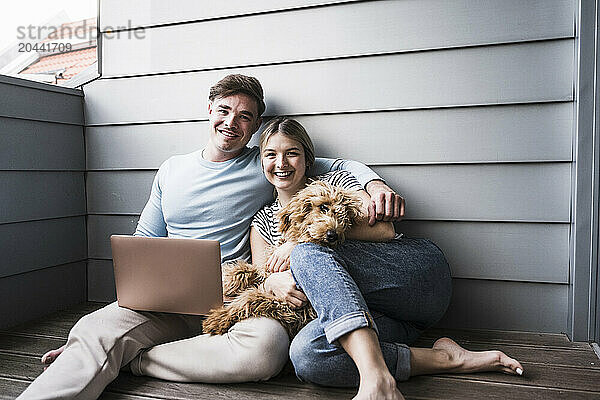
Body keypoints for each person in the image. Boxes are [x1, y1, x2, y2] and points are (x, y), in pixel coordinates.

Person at [17, 74, 402, 400]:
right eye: (224, 110)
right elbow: (144, 240)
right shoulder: (172, 169)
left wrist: (374, 182)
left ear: (255, 125)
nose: (231, 122)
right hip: (167, 297)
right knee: (93, 330)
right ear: (210, 110)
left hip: (236, 299)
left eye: (244, 116)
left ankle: (127, 358)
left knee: (267, 351)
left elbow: (338, 165)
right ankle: (97, 354)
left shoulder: (267, 161)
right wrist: (134, 297)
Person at [250, 117, 525, 399]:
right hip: (382, 318)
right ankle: (446, 358)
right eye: (271, 154)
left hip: (412, 278)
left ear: (308, 159)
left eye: (291, 153)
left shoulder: (334, 182)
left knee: (307, 253)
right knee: (307, 355)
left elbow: (382, 228)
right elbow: (262, 276)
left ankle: (377, 379)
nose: (281, 163)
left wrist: (299, 244)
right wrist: (273, 283)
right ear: (261, 162)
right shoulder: (261, 222)